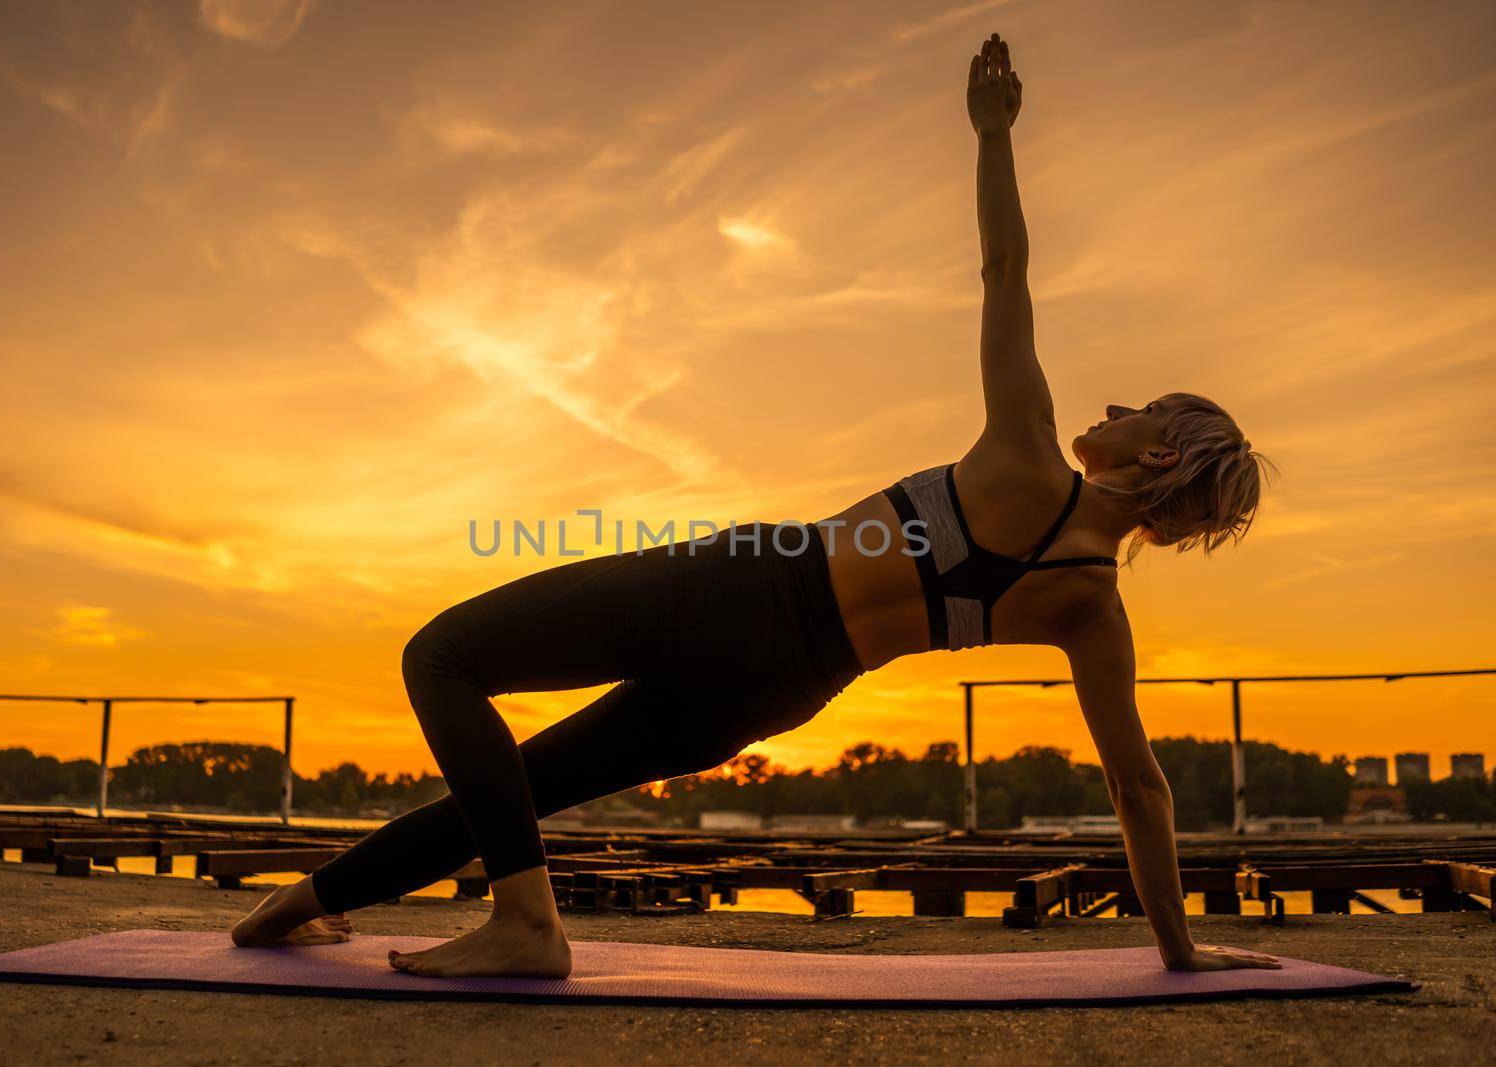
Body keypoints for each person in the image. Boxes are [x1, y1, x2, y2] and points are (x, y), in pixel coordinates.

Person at [231, 33, 1280, 979]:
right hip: (781, 693)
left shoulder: (1027, 456)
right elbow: (1139, 788)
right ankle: (314, 901)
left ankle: (524, 920)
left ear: (1157, 453)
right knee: (524, 784)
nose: (1115, 402)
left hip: (744, 585)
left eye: (1142, 406)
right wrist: (1180, 950)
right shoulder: (1092, 610)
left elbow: (1005, 266)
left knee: (443, 656)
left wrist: (993, 131)